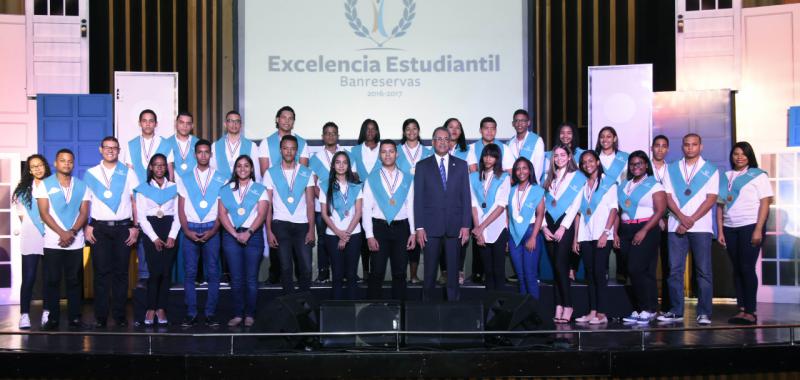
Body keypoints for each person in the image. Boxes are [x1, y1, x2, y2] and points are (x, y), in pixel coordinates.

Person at [658, 133, 719, 325]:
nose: (690, 148)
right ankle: (676, 311)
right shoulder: (672, 168)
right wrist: (682, 218)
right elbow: (667, 196)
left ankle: (704, 312)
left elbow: (711, 199)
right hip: (676, 225)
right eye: (686, 145)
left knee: (703, 271)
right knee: (674, 270)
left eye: (694, 145)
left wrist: (690, 220)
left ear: (700, 147)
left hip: (701, 227)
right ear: (682, 147)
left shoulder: (710, 170)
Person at [84, 136, 140, 328]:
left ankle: (119, 315)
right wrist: (87, 225)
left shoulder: (128, 173)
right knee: (100, 274)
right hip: (99, 228)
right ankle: (100, 316)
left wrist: (135, 226)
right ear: (101, 149)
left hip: (123, 228)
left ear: (119, 150)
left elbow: (135, 201)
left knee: (121, 274)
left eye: (114, 148)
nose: (110, 150)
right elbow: (86, 203)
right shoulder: (91, 173)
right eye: (107, 147)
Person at [34, 149, 90, 330]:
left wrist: (72, 232)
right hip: (53, 241)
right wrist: (62, 233)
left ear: (73, 164)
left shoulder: (82, 186)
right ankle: (53, 319)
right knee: (52, 281)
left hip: (75, 241)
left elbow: (84, 212)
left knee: (74, 281)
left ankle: (75, 318)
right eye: (62, 160)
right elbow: (44, 213)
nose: (66, 164)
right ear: (55, 163)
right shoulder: (45, 185)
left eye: (70, 161)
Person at [716, 142, 772, 325]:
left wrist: (758, 229)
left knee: (747, 268)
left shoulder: (758, 175)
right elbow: (720, 205)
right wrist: (720, 229)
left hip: (750, 226)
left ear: (749, 156)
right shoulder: (726, 176)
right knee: (737, 269)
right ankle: (741, 309)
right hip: (730, 228)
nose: (739, 157)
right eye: (736, 153)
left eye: (743, 154)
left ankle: (751, 310)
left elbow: (765, 203)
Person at [415, 127, 471, 301]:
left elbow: (466, 197)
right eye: (439, 139)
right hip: (430, 228)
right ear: (432, 142)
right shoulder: (422, 166)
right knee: (430, 273)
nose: (443, 142)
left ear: (450, 142)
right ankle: (427, 310)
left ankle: (453, 310)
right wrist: (419, 227)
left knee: (453, 274)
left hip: (455, 228)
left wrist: (466, 225)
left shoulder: (461, 165)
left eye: (446, 139)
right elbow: (418, 199)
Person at [177, 139, 227, 327]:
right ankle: (191, 313)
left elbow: (222, 210)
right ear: (195, 154)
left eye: (207, 152)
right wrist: (187, 231)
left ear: (211, 155)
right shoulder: (185, 178)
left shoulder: (221, 178)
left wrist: (214, 230)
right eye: (200, 152)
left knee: (213, 273)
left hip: (212, 227)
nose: (203, 155)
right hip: (190, 227)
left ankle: (210, 313)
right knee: (189, 273)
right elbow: (180, 209)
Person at [616, 151, 667, 325]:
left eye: (639, 164)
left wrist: (644, 230)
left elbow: (660, 210)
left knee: (636, 268)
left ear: (646, 165)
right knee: (642, 272)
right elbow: (619, 211)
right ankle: (649, 309)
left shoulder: (654, 184)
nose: (636, 167)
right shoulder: (624, 185)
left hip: (646, 228)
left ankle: (645, 308)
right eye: (632, 164)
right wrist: (615, 233)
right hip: (626, 229)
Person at [218, 155, 268, 328]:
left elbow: (262, 214)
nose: (243, 169)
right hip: (231, 237)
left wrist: (248, 232)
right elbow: (222, 214)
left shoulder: (260, 189)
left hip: (253, 236)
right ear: (235, 169)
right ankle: (238, 314)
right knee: (237, 279)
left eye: (246, 166)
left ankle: (250, 314)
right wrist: (234, 234)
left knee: (251, 279)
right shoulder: (226, 189)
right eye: (239, 166)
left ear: (252, 169)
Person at [362, 140, 416, 299]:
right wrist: (369, 235)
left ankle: (398, 313)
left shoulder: (407, 178)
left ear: (396, 154)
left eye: (391, 151)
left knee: (399, 272)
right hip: (379, 229)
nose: (387, 154)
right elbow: (366, 209)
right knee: (377, 272)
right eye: (384, 151)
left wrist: (412, 232)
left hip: (401, 229)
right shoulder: (371, 179)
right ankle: (373, 313)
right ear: (380, 155)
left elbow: (410, 206)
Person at [121, 109, 169, 287]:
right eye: (145, 121)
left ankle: (161, 274)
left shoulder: (164, 143)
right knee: (142, 233)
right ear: (140, 123)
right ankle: (144, 274)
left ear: (156, 124)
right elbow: (129, 169)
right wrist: (132, 195)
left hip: (159, 194)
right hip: (139, 194)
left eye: (151, 121)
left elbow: (168, 168)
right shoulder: (131, 144)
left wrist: (166, 191)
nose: (148, 124)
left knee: (160, 231)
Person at [264, 135, 316, 294]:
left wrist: (311, 229)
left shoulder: (306, 172)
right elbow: (268, 205)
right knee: (286, 268)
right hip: (280, 225)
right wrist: (269, 231)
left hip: (302, 225)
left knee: (306, 267)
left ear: (297, 151)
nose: (289, 151)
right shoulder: (270, 173)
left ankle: (305, 306)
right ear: (280, 150)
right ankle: (290, 308)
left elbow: (310, 203)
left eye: (292, 148)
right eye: (285, 148)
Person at [572, 150, 618, 325]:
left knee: (599, 273)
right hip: (585, 234)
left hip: (601, 235)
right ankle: (592, 311)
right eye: (584, 162)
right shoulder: (582, 185)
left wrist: (606, 233)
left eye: (590, 161)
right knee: (589, 274)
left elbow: (614, 209)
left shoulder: (609, 183)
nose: (587, 164)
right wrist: (576, 238)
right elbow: (578, 213)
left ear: (597, 162)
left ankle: (602, 313)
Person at [542, 144, 586, 323]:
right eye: (556, 156)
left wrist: (563, 227)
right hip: (549, 224)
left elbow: (575, 205)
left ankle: (568, 305)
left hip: (565, 225)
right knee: (555, 269)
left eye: (562, 155)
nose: (559, 158)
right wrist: (544, 227)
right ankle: (558, 304)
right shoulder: (549, 178)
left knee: (562, 266)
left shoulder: (577, 177)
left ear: (569, 157)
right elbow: (542, 205)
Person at [134, 153, 180, 326]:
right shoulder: (143, 188)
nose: (160, 168)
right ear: (151, 167)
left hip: (169, 228)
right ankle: (150, 308)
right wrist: (153, 238)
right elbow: (142, 218)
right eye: (156, 165)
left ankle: (161, 308)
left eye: (163, 165)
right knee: (154, 272)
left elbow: (178, 214)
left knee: (166, 272)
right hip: (151, 230)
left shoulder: (174, 187)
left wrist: (172, 236)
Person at [12, 155, 51, 329]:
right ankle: (24, 315)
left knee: (50, 277)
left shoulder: (53, 185)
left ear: (45, 166)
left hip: (51, 234)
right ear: (29, 170)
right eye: (33, 166)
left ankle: (48, 312)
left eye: (40, 165)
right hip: (30, 236)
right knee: (29, 277)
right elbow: (21, 216)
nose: (37, 169)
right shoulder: (23, 190)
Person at [320, 152, 364, 300]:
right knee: (337, 274)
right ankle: (336, 313)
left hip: (354, 234)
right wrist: (339, 234)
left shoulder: (356, 186)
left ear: (348, 166)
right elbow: (325, 214)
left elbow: (358, 213)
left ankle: (352, 314)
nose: (341, 165)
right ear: (333, 165)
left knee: (351, 274)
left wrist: (346, 236)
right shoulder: (325, 185)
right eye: (337, 162)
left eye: (344, 162)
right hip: (333, 235)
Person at [309, 122, 347, 283]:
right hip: (322, 207)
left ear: (338, 135)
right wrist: (328, 202)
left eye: (334, 133)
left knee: (344, 238)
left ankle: (345, 271)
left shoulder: (346, 153)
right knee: (324, 239)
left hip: (345, 208)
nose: (330, 136)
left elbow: (352, 179)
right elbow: (314, 183)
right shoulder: (315, 158)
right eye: (327, 133)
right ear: (322, 136)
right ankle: (324, 272)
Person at [469, 144, 510, 291]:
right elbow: (473, 205)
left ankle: (501, 310)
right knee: (488, 272)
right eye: (485, 155)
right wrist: (478, 229)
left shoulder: (504, 177)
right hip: (480, 229)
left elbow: (500, 206)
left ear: (497, 158)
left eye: (492, 155)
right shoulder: (473, 177)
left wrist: (480, 227)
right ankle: (489, 311)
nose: (488, 158)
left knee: (499, 272)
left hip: (498, 229)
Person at [397, 119, 432, 285]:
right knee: (403, 237)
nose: (411, 132)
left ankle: (414, 274)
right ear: (404, 132)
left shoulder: (427, 151)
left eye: (414, 128)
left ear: (419, 130)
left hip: (422, 200)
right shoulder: (396, 151)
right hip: (401, 201)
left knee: (418, 237)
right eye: (408, 129)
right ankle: (401, 274)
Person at [507, 157, 546, 299]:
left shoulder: (537, 190)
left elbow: (540, 214)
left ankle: (534, 314)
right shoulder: (511, 190)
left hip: (530, 232)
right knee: (521, 277)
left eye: (524, 168)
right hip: (513, 235)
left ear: (529, 171)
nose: (521, 171)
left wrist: (534, 237)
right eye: (518, 168)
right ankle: (523, 313)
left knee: (530, 276)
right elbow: (508, 214)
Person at [594, 126, 629, 282]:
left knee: (619, 243)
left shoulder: (625, 158)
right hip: (599, 207)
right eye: (602, 136)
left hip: (621, 206)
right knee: (600, 243)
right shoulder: (594, 157)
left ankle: (622, 278)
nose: (605, 139)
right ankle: (604, 275)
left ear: (614, 139)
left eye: (609, 136)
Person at [350, 119, 381, 281]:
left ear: (377, 131)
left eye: (373, 129)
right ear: (363, 131)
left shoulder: (384, 148)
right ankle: (366, 271)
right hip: (361, 199)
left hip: (381, 200)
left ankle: (377, 271)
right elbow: (353, 175)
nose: (370, 132)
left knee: (378, 233)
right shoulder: (354, 150)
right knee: (363, 236)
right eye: (367, 129)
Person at [444, 117, 470, 283]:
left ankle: (459, 270)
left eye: (457, 128)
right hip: (441, 204)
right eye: (450, 127)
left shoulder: (468, 150)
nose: (454, 130)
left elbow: (471, 175)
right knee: (440, 238)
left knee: (460, 237)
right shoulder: (437, 149)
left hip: (460, 201)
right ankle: (444, 271)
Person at [650, 134, 671, 312]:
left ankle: (666, 306)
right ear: (652, 147)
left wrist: (664, 217)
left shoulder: (672, 170)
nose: (660, 149)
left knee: (668, 264)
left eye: (664, 146)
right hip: (646, 220)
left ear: (668, 150)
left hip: (667, 221)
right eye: (657, 145)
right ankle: (647, 304)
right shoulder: (643, 167)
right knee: (647, 265)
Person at [212, 110, 263, 182]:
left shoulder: (252, 146)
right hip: (222, 188)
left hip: (244, 188)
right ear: (225, 124)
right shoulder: (215, 146)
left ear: (241, 125)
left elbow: (256, 173)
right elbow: (212, 170)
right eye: (230, 121)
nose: (234, 124)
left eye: (237, 121)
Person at [507, 110, 545, 181]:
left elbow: (538, 166)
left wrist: (531, 185)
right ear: (513, 124)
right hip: (514, 185)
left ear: (528, 123)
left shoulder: (537, 140)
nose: (519, 124)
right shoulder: (509, 143)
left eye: (523, 121)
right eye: (516, 121)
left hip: (531, 183)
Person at [165, 111, 198, 180]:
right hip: (173, 184)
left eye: (188, 123)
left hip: (195, 184)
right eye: (181, 122)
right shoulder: (166, 143)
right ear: (176, 124)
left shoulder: (198, 144)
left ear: (192, 126)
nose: (184, 126)